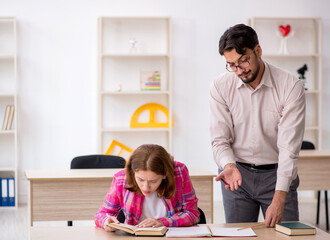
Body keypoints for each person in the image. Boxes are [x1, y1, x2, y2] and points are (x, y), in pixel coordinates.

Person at [209, 24, 305, 228]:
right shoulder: (220, 86)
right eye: (231, 64)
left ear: (258, 51)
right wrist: (229, 165)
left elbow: (289, 149)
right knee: (238, 235)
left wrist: (279, 198)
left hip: (277, 175)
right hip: (237, 175)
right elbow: (219, 140)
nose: (239, 70)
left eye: (243, 61)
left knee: (286, 234)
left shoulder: (290, 86)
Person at [95, 144, 200, 231]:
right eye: (140, 179)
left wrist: (162, 222)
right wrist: (106, 221)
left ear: (165, 175)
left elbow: (192, 213)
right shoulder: (121, 178)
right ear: (133, 172)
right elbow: (102, 214)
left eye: (153, 181)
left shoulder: (179, 172)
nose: (146, 187)